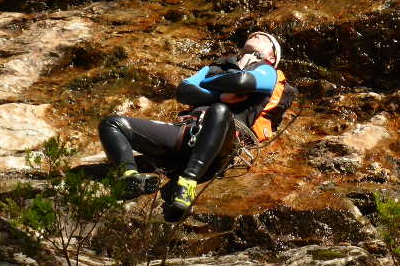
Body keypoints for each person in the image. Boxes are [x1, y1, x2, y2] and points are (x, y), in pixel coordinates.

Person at [98, 32, 296, 222]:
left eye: (264, 38)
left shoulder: (267, 70)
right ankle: (129, 178)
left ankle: (188, 181)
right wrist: (219, 95)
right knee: (111, 124)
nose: (256, 35)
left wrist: (206, 86)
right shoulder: (216, 67)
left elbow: (241, 81)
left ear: (272, 56)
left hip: (224, 139)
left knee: (219, 111)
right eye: (253, 34)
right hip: (187, 129)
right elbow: (183, 91)